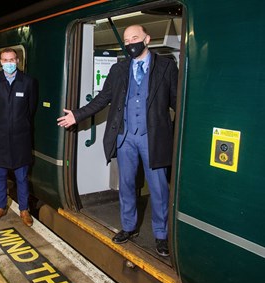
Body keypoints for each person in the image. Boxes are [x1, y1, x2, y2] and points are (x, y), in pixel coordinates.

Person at [57, 25, 178, 257]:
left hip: (153, 137)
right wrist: (77, 115)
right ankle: (129, 227)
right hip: (125, 137)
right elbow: (103, 98)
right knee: (127, 185)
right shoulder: (119, 68)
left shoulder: (166, 66)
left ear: (147, 39)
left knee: (159, 189)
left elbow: (177, 102)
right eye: (126, 39)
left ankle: (161, 235)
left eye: (135, 38)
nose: (130, 42)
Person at [0, 48, 38, 227]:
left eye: (11, 59)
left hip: (21, 137)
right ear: (1, 62)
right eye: (5, 60)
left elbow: (31, 109)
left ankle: (24, 209)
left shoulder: (28, 82)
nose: (8, 63)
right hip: (0, 137)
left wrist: (18, 123)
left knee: (22, 176)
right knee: (0, 175)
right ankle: (0, 207)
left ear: (17, 61)